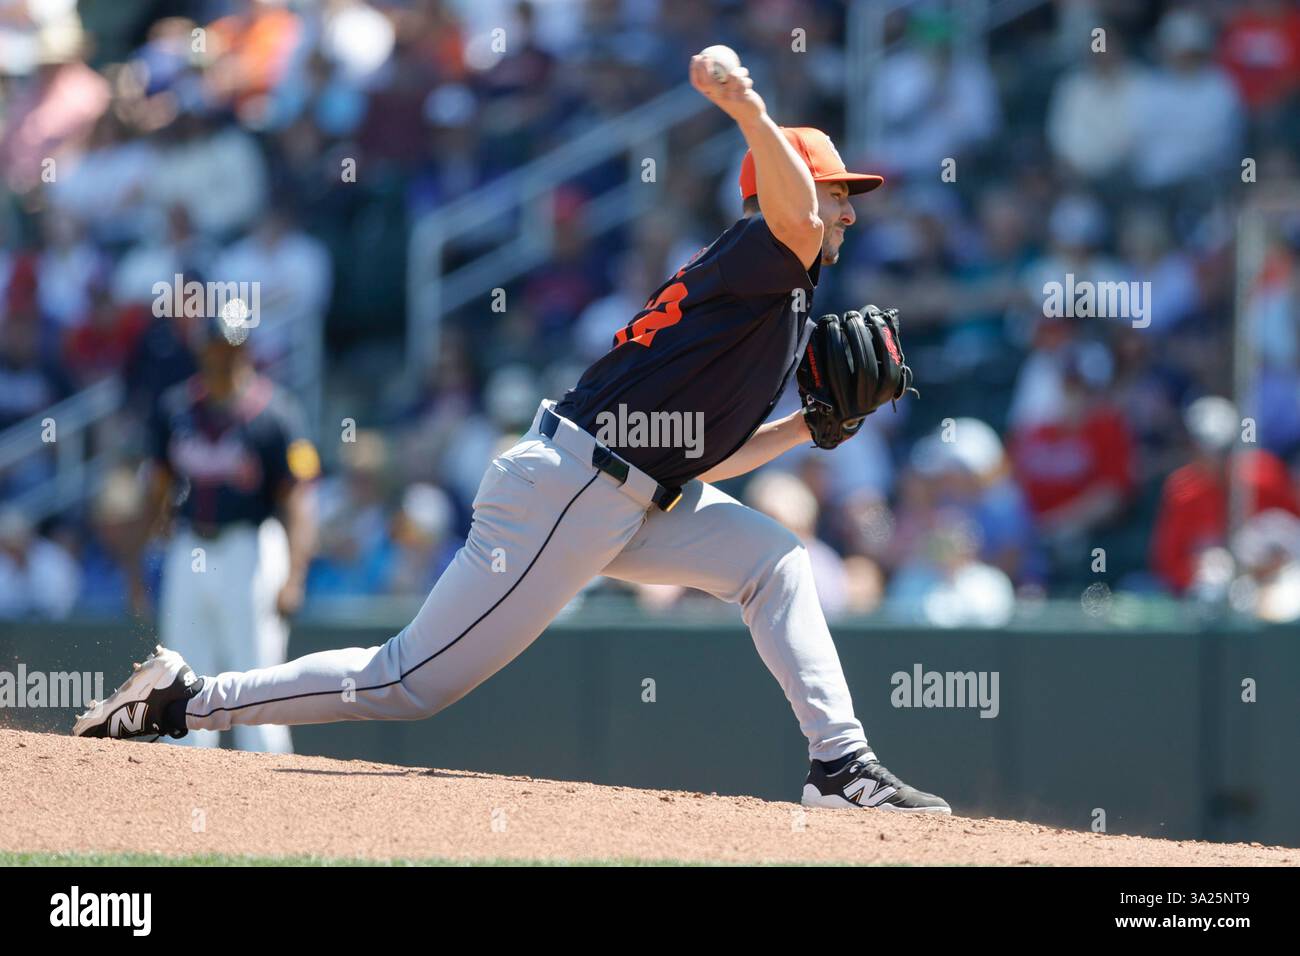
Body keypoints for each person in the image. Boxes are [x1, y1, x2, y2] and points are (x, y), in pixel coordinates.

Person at [76, 54, 949, 813]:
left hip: (633, 489)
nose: (848, 213)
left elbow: (704, 455)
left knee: (774, 563)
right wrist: (750, 110)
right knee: (406, 684)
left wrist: (811, 428)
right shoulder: (766, 247)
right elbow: (788, 205)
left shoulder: (775, 303)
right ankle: (185, 701)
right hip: (572, 489)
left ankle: (841, 764)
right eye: (840, 195)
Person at [112, 314, 319, 752]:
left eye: (232, 349)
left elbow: (298, 500)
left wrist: (295, 574)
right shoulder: (176, 409)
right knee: (181, 679)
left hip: (251, 547)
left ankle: (270, 798)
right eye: (215, 349)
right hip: (189, 547)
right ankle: (185, 795)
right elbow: (157, 492)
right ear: (202, 352)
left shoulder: (275, 414)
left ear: (245, 352)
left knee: (255, 679)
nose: (223, 358)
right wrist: (134, 565)